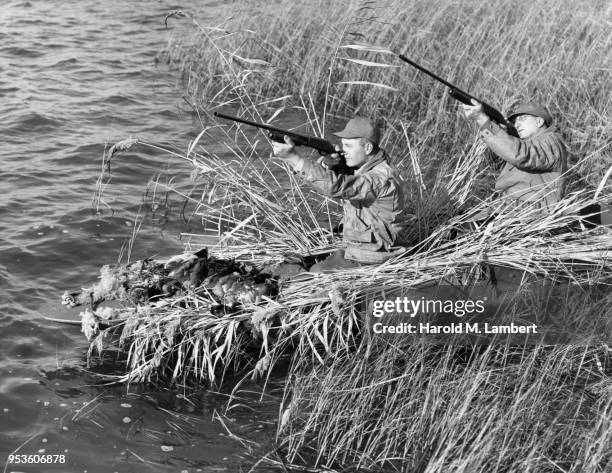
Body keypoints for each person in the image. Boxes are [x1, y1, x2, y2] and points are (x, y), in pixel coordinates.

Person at [272, 116, 407, 274]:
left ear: (368, 148)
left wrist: (294, 159)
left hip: (374, 257)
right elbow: (348, 180)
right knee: (289, 264)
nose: (343, 151)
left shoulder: (381, 178)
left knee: (308, 274)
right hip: (358, 249)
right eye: (343, 145)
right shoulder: (365, 166)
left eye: (348, 146)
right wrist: (332, 166)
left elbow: (337, 186)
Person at [462, 100, 568, 212]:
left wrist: (483, 120)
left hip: (531, 214)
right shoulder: (527, 144)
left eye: (522, 119)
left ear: (539, 122)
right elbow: (496, 164)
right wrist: (501, 133)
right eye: (515, 121)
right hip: (511, 209)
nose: (517, 124)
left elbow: (520, 155)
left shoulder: (551, 141)